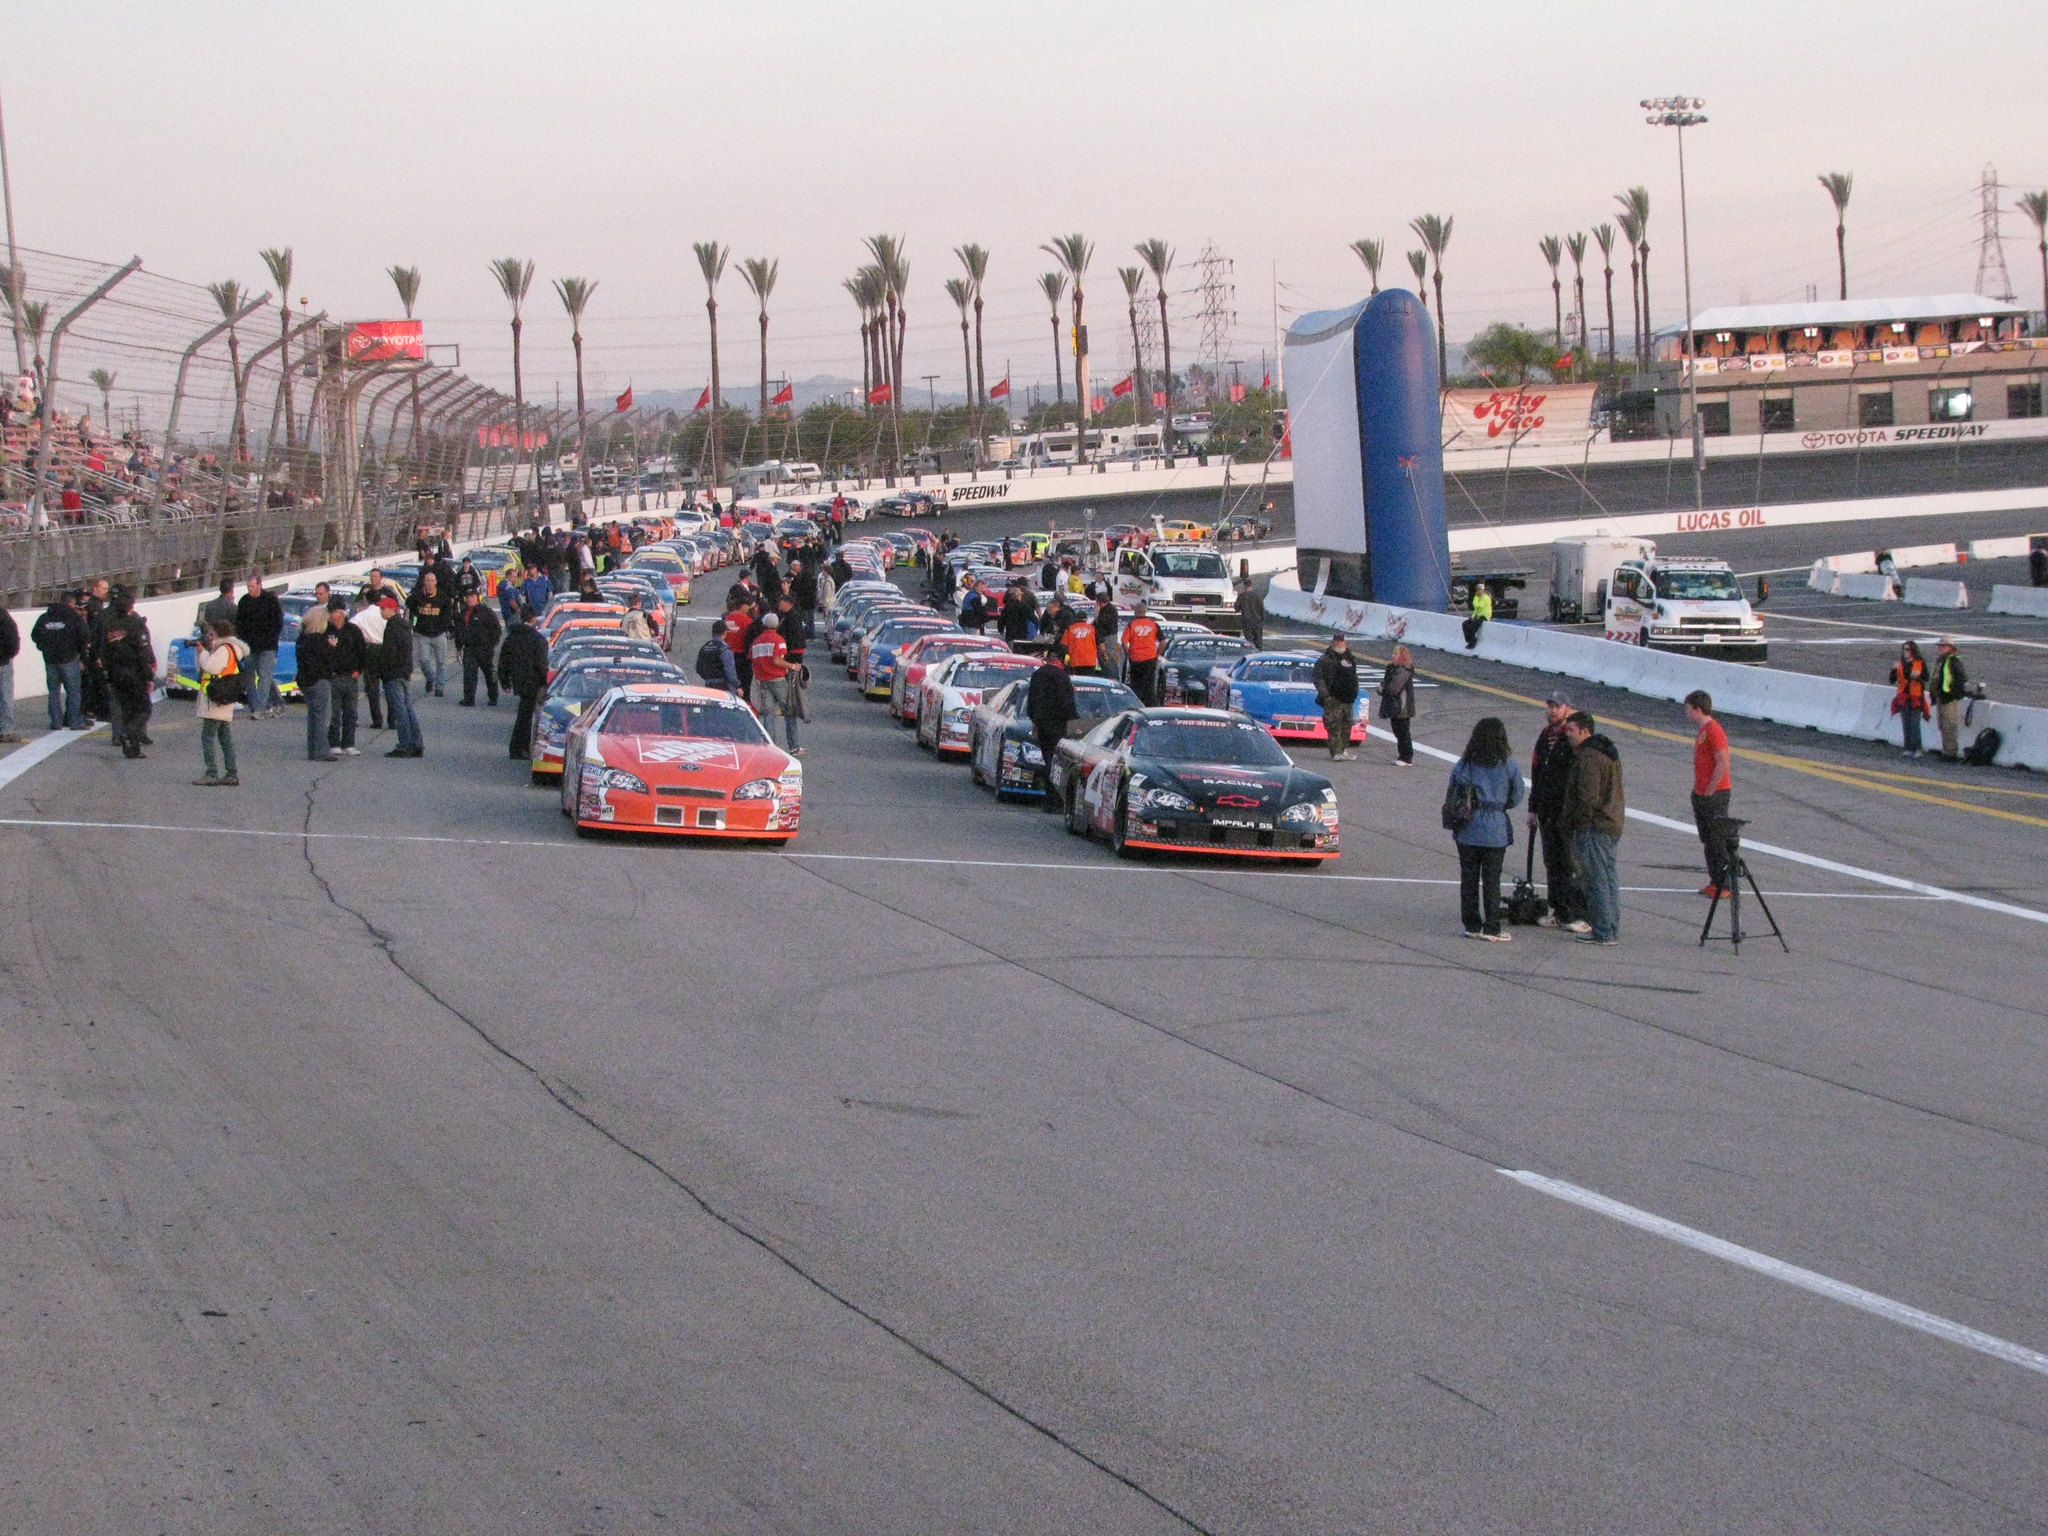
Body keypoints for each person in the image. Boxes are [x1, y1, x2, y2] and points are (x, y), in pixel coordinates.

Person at [1447, 716, 1524, 941]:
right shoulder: (1507, 763)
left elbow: (1454, 788)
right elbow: (1517, 793)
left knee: (1469, 877)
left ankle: (1471, 923)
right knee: (1492, 880)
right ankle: (1492, 926)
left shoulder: (1467, 762)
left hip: (1469, 825)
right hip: (1495, 826)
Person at [1526, 692, 1584, 931]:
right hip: (1547, 810)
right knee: (1553, 863)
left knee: (1572, 863)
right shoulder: (1545, 735)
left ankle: (1579, 914)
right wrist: (1532, 808)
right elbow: (1537, 771)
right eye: (1549, 706)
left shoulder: (1572, 736)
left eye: (1556, 707)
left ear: (1566, 709)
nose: (1552, 711)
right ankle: (1559, 910)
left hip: (1567, 811)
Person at [1685, 690, 1734, 898]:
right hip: (1702, 792)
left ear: (1698, 709)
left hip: (1714, 794)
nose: (1686, 713)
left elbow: (1722, 762)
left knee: (1717, 839)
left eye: (1688, 709)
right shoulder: (1703, 730)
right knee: (1708, 840)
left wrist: (1710, 791)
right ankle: (1715, 880)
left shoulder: (1714, 730)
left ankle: (1725, 884)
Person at [193, 620, 249, 786]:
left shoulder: (223, 650)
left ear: (219, 634)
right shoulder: (231, 649)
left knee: (208, 736)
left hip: (216, 698)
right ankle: (231, 772)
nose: (209, 637)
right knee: (224, 736)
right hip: (224, 696)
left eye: (211, 634)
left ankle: (212, 772)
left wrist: (203, 652)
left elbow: (211, 668)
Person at [99, 589, 154, 759]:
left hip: (115, 673)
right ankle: (128, 733)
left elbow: (103, 651)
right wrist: (149, 677)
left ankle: (132, 749)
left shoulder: (108, 626)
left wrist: (107, 674)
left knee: (127, 709)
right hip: (133, 672)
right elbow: (142, 652)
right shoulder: (136, 624)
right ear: (131, 606)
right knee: (144, 708)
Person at [1024, 649, 1078, 810]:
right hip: (1059, 726)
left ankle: (1049, 800)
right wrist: (1075, 723)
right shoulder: (1063, 677)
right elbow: (1068, 705)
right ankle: (1057, 800)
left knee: (1048, 760)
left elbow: (1031, 702)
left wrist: (1035, 721)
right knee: (1058, 763)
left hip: (1041, 725)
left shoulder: (1037, 674)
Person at [30, 590, 89, 731]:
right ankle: (75, 722)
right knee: (73, 691)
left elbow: (35, 635)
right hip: (69, 659)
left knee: (54, 693)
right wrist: (81, 655)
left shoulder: (45, 617)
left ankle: (56, 722)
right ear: (71, 603)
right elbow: (84, 636)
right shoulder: (73, 617)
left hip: (50, 660)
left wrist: (43, 647)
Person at [498, 603, 549, 758]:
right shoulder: (538, 639)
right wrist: (545, 682)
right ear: (533, 619)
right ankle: (520, 748)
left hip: (519, 680)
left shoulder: (513, 636)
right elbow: (541, 664)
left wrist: (505, 681)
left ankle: (518, 748)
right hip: (533, 681)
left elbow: (504, 660)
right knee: (526, 718)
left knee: (524, 715)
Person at [375, 593, 423, 757]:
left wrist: (383, 670)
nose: (381, 611)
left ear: (391, 609)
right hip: (403, 672)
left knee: (400, 710)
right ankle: (416, 743)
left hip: (394, 673)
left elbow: (390, 653)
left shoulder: (393, 627)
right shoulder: (403, 626)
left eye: (383, 608)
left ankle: (405, 744)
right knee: (407, 708)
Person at [749, 612, 801, 754]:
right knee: (789, 712)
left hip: (762, 680)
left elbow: (752, 659)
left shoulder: (757, 641)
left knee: (768, 714)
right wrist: (792, 666)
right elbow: (777, 660)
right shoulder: (778, 640)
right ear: (777, 625)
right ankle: (794, 746)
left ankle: (769, 747)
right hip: (777, 680)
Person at [235, 575, 286, 718]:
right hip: (250, 646)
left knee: (264, 676)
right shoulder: (244, 601)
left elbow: (278, 623)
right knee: (249, 676)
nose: (250, 589)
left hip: (267, 645)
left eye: (252, 586)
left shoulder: (270, 600)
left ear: (259, 585)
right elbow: (239, 623)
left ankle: (261, 709)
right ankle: (270, 703)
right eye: (248, 587)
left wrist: (272, 641)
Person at [323, 599, 364, 756]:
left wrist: (358, 670)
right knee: (334, 712)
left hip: (351, 677)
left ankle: (349, 743)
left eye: (333, 612)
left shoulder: (353, 630)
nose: (331, 615)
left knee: (351, 711)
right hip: (333, 677)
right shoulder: (326, 630)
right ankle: (334, 743)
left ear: (340, 613)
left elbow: (361, 652)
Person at [406, 570, 454, 697]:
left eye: (432, 580)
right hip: (423, 634)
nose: (430, 583)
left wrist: (442, 628)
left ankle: (440, 687)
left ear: (436, 582)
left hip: (439, 634)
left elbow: (448, 616)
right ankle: (430, 677)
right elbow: (409, 605)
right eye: (427, 580)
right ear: (424, 582)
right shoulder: (418, 596)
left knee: (441, 662)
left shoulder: (443, 598)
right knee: (423, 660)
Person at [1313, 634, 1361, 759]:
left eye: (1342, 641)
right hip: (1333, 698)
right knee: (1333, 725)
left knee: (1347, 725)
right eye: (1337, 641)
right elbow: (1318, 678)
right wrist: (1325, 695)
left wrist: (1355, 691)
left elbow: (1354, 677)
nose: (1340, 644)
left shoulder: (1350, 658)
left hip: (1348, 698)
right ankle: (1336, 752)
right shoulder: (1325, 659)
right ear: (1332, 643)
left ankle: (1343, 749)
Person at [296, 602, 334, 760]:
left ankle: (313, 749)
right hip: (319, 679)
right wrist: (331, 648)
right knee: (320, 716)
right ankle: (321, 750)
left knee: (312, 716)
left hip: (305, 679)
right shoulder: (318, 640)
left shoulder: (302, 639)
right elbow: (327, 659)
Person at [457, 590, 504, 705]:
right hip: (469, 649)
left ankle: (493, 697)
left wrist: (492, 643)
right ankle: (469, 699)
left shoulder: (486, 612)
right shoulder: (463, 613)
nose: (470, 599)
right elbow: (459, 631)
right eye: (468, 596)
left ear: (478, 597)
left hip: (485, 649)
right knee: (469, 674)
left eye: (472, 596)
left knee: (489, 674)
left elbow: (497, 629)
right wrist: (458, 647)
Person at [1890, 640, 1931, 758]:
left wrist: (1918, 676)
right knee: (1906, 724)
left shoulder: (1920, 663)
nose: (1905, 652)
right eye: (1904, 649)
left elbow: (1926, 678)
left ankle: (1917, 748)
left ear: (1913, 651)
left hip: (1916, 698)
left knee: (1914, 724)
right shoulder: (1900, 665)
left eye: (1907, 649)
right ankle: (1908, 748)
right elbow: (1892, 680)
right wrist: (1893, 669)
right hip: (1903, 698)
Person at [1377, 644, 1417, 766]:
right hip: (1396, 704)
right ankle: (1403, 756)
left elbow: (1394, 688)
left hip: (1402, 706)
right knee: (1398, 730)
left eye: (1395, 654)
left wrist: (1382, 689)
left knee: (1402, 731)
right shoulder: (1393, 668)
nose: (1392, 656)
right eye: (1393, 654)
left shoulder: (1403, 670)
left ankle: (1406, 757)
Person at [1931, 637, 1968, 759]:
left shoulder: (1953, 660)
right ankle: (1946, 750)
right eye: (1940, 645)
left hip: (1948, 698)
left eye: (1943, 645)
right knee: (1942, 725)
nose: (1940, 648)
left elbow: (1961, 678)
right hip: (1941, 697)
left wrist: (1954, 693)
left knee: (1949, 725)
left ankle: (1950, 753)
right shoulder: (1942, 660)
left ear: (1950, 647)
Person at [1124, 602, 1162, 705]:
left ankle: (1136, 705)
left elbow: (1124, 641)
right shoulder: (1153, 624)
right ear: (1145, 611)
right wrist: (1157, 654)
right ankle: (1151, 707)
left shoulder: (1131, 624)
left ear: (1136, 612)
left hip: (1135, 659)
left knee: (1135, 685)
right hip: (1150, 659)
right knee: (1149, 686)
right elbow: (1163, 641)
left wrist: (1128, 654)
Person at [0, 601, 19, 742]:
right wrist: (8, 656)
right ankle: (6, 730)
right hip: (3, 662)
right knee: (5, 695)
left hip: (4, 659)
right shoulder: (5, 618)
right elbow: (13, 640)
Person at [1060, 609, 1099, 675]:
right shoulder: (1093, 629)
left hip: (1075, 661)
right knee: (1088, 681)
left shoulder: (1070, 629)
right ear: (1086, 619)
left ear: (1076, 618)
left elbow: (1063, 645)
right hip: (1090, 661)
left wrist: (1066, 659)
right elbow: (1100, 644)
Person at [1094, 592, 1122, 680]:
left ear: (1100, 602)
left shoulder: (1110, 610)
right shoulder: (1106, 609)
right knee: (1103, 659)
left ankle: (1113, 679)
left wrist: (1097, 612)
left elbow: (1101, 622)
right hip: (1103, 638)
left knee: (1109, 659)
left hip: (1109, 638)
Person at [1234, 578, 1265, 649]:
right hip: (1257, 621)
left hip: (1247, 621)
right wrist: (1261, 620)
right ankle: (1259, 654)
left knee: (1249, 640)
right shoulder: (1257, 596)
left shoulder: (1242, 596)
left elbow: (1236, 608)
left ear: (1244, 586)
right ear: (1251, 585)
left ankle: (1250, 653)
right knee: (1258, 640)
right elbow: (1262, 609)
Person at [1462, 582, 1492, 649]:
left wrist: (1475, 598)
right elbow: (1476, 609)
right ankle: (1469, 640)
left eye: (1479, 589)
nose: (1478, 591)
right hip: (1478, 616)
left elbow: (1478, 606)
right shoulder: (1479, 598)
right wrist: (1472, 616)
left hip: (1484, 616)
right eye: (1477, 590)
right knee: (1465, 624)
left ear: (1483, 590)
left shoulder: (1485, 598)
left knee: (1472, 627)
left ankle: (1473, 641)